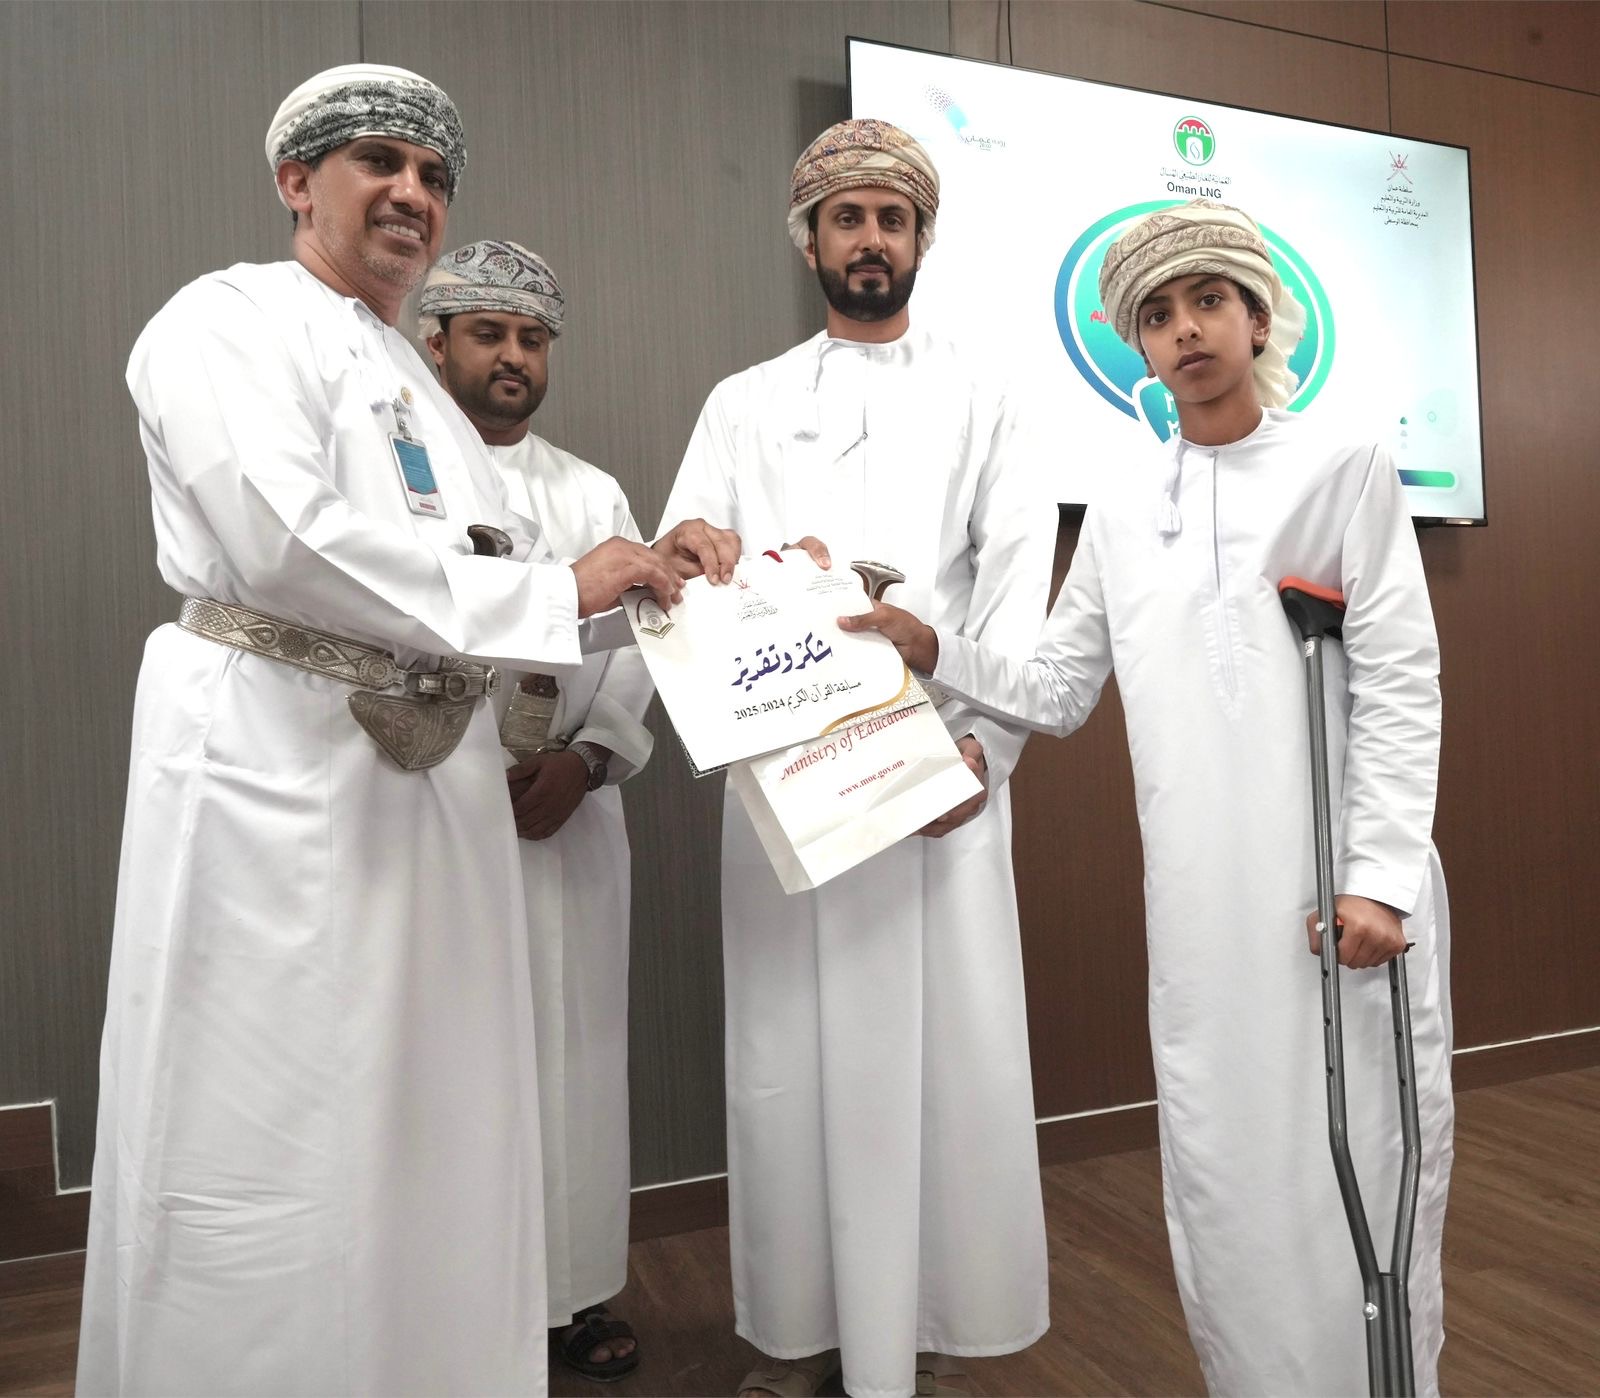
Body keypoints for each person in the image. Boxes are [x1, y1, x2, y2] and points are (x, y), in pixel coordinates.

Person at [76, 64, 724, 1397]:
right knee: (279, 1114)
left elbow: (489, 599)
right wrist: (561, 590)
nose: (412, 193)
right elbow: (283, 540)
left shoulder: (419, 391)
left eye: (434, 175)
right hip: (273, 772)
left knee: (423, 1118)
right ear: (295, 180)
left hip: (429, 797)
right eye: (379, 161)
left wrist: (662, 587)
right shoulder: (226, 319)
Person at [844, 199, 1454, 1396]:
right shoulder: (1124, 505)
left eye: (1208, 302)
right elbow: (1059, 689)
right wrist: (934, 648)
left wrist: (1379, 877)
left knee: (1364, 1158)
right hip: (1200, 915)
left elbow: (1400, 678)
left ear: (1256, 317)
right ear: (1138, 345)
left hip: (1334, 900)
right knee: (1227, 1171)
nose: (1186, 331)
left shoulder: (1343, 470)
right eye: (1159, 315)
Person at [658, 119, 1054, 1398]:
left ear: (921, 238)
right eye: (847, 218)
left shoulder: (989, 394)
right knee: (791, 1061)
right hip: (791, 785)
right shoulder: (744, 403)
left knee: (945, 1059)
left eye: (892, 218)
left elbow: (1017, 593)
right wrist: (700, 558)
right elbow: (686, 564)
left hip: (942, 777)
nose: (869, 239)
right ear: (809, 240)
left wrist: (985, 748)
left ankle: (929, 1329)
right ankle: (803, 1333)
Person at [419, 240, 652, 1383]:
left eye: (531, 338)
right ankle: (455, 1304)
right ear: (436, 346)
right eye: (488, 334)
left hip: (567, 815)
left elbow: (645, 640)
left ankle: (572, 1297)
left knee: (574, 1057)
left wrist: (591, 762)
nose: (512, 357)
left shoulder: (590, 492)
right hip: (434, 809)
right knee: (448, 1062)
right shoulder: (402, 479)